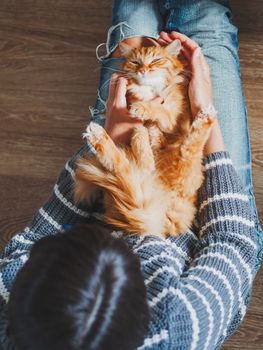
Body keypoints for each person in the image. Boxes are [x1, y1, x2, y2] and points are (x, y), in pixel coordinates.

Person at [0, 1, 261, 349]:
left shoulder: (10, 292)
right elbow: (235, 244)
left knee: (132, 29)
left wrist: (112, 137)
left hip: (116, 173)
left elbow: (49, 224)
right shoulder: (179, 325)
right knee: (206, 28)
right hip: (195, 214)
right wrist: (203, 113)